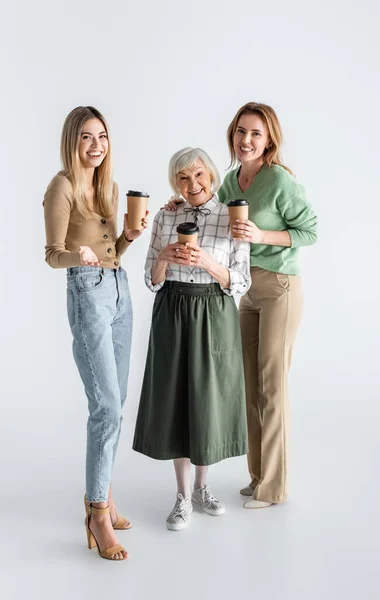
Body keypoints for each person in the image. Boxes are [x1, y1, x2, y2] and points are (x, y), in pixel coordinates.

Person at [165, 103, 317, 509]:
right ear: (232, 135)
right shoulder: (232, 180)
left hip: (280, 286)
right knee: (249, 386)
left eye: (256, 134)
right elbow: (208, 206)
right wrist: (175, 204)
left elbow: (310, 231)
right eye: (241, 132)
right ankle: (257, 477)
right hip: (243, 291)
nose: (246, 140)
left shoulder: (281, 181)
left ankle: (273, 487)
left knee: (272, 386)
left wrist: (262, 234)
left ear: (269, 140)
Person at [43, 106, 148, 560]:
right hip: (87, 294)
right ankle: (97, 514)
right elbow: (52, 254)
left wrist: (127, 236)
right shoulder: (62, 187)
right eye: (87, 137)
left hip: (120, 290)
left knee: (116, 403)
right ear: (73, 141)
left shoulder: (109, 187)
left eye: (102, 136)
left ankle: (99, 495)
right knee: (105, 406)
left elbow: (115, 254)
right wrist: (77, 255)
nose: (96, 145)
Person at [133, 147, 250, 530]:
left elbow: (241, 280)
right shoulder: (166, 215)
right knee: (175, 399)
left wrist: (208, 263)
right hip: (172, 310)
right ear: (174, 183)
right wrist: (165, 258)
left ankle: (203, 487)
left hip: (214, 312)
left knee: (207, 401)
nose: (192, 184)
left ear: (211, 176)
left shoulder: (232, 217)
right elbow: (152, 279)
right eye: (182, 178)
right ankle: (182, 495)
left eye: (198, 175)